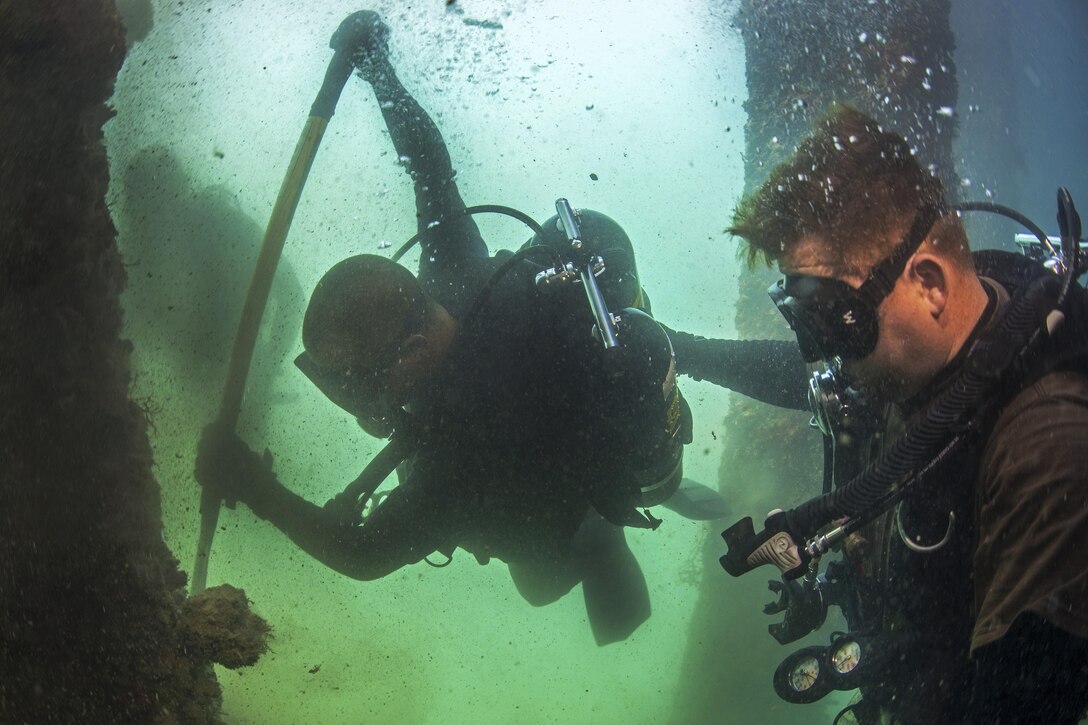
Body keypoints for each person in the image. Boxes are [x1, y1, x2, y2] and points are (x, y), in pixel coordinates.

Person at [196, 11, 691, 646]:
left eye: (361, 383)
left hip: (551, 511)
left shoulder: (465, 459)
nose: (359, 404)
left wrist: (255, 487)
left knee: (538, 586)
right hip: (552, 462)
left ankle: (600, 541)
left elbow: (363, 553)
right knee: (535, 574)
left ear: (415, 346)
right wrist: (374, 66)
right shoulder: (455, 275)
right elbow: (430, 166)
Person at [667, 105, 1088, 721]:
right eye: (801, 320)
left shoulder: (1048, 456)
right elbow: (794, 374)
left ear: (931, 285)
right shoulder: (923, 361)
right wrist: (680, 350)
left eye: (835, 319)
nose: (820, 355)